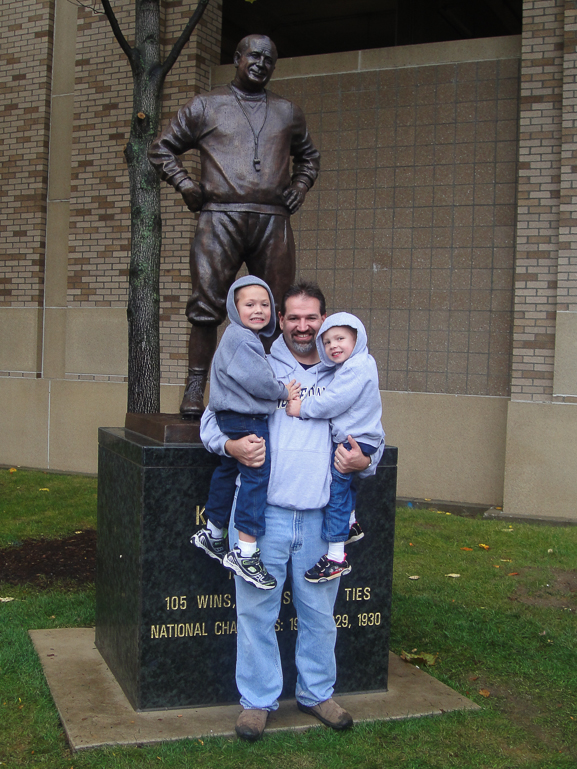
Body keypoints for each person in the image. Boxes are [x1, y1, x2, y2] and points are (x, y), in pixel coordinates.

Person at [200, 282, 385, 741]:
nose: (303, 327)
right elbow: (212, 418)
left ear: (325, 321)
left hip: (323, 518)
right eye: (294, 318)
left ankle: (317, 692)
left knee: (320, 614)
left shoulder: (345, 369)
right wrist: (230, 445)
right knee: (257, 613)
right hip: (264, 518)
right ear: (280, 320)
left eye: (312, 318)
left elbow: (371, 427)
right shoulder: (256, 361)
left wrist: (366, 461)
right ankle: (258, 702)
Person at [149, 34, 320, 417]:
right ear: (238, 57)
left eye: (269, 59)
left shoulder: (287, 111)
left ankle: (277, 385)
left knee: (277, 310)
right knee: (206, 305)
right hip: (220, 216)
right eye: (254, 56)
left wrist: (300, 186)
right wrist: (185, 185)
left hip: (272, 220)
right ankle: (196, 385)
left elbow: (309, 157)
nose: (261, 63)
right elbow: (161, 148)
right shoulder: (207, 105)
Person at [192, 276, 299, 590]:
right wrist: (283, 391)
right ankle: (246, 552)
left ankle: (213, 533)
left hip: (231, 418)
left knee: (227, 472)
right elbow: (258, 381)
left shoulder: (238, 338)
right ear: (234, 308)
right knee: (255, 478)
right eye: (249, 304)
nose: (258, 310)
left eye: (264, 304)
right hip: (247, 420)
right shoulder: (242, 338)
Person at [286, 313, 384, 582]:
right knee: (346, 485)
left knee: (336, 491)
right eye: (327, 342)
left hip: (355, 440)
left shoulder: (356, 368)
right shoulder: (358, 365)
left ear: (357, 338)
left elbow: (331, 402)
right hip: (361, 436)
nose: (333, 346)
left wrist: (300, 408)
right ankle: (350, 524)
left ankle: (336, 557)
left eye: (340, 339)